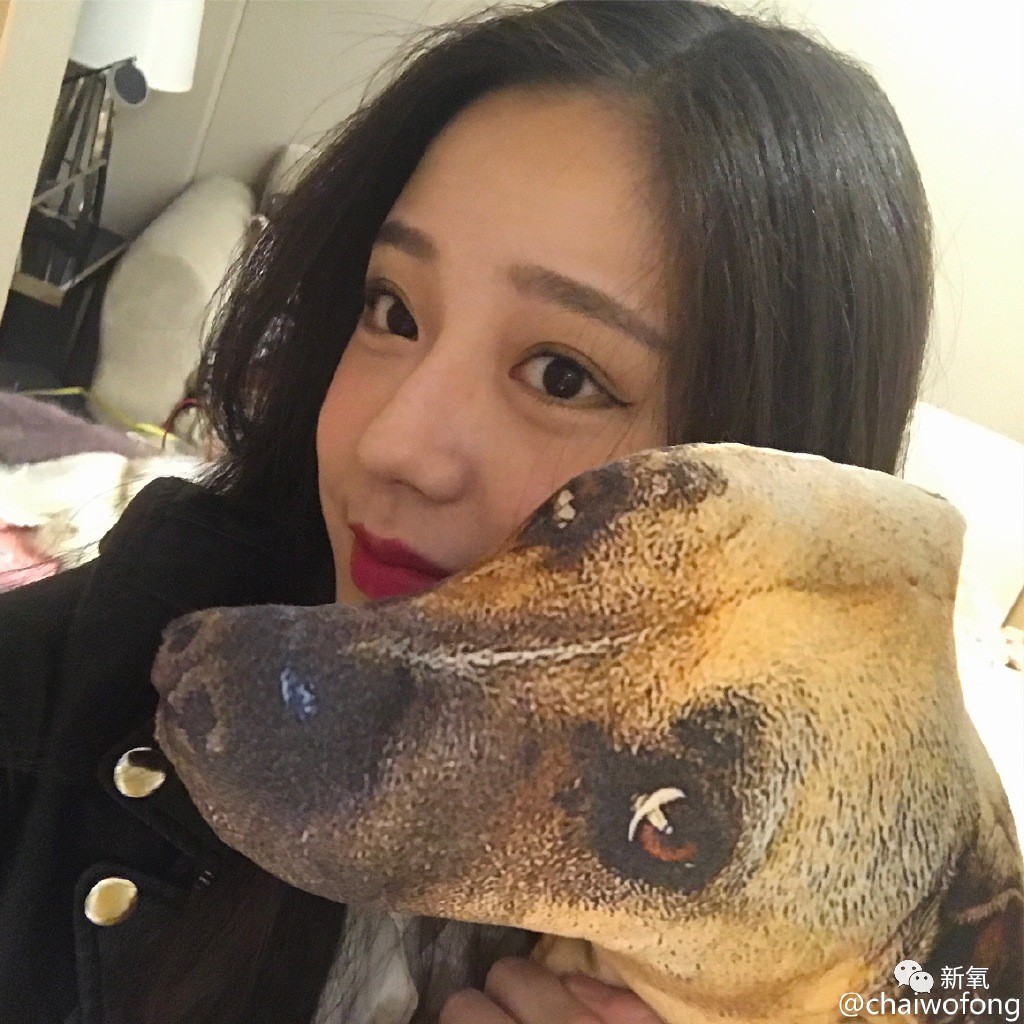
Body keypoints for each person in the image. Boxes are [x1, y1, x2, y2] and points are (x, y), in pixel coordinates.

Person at [0, 1, 933, 1022]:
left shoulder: (884, 952)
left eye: (562, 375)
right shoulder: (105, 673)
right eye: (393, 311)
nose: (391, 443)